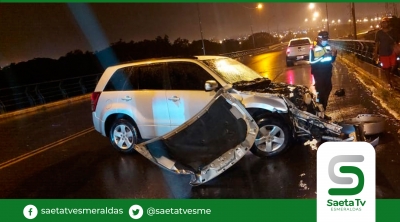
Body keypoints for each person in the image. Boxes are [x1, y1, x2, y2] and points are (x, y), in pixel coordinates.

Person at [309, 31, 337, 121]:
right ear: (319, 38)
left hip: (327, 73)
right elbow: (311, 62)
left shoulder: (327, 46)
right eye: (324, 38)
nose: (326, 40)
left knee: (327, 90)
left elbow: (330, 60)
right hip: (319, 73)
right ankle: (318, 115)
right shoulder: (314, 48)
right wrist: (322, 56)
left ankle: (323, 112)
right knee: (320, 93)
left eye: (326, 38)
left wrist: (334, 56)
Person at [373, 17, 400, 88]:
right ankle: (389, 82)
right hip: (383, 53)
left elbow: (396, 41)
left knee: (395, 64)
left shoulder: (392, 31)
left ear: (388, 23)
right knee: (386, 68)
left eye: (385, 22)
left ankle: (391, 75)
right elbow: (377, 44)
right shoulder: (378, 33)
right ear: (381, 24)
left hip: (392, 51)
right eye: (382, 23)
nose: (384, 24)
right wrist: (375, 53)